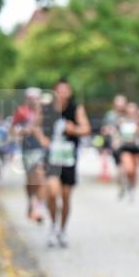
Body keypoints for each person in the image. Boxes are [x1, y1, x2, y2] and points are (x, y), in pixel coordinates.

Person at [39, 79, 91, 247]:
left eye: (65, 90)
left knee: (66, 197)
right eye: (59, 90)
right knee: (52, 193)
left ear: (70, 92)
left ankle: (62, 230)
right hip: (52, 159)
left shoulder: (76, 109)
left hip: (68, 158)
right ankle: (53, 226)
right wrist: (42, 139)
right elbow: (35, 126)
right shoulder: (46, 108)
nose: (62, 93)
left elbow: (86, 129)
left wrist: (73, 129)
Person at [12, 87, 47, 222]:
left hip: (41, 148)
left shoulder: (44, 111)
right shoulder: (21, 111)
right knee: (31, 180)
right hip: (28, 149)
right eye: (31, 98)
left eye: (36, 98)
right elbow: (14, 130)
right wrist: (23, 132)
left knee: (41, 178)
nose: (34, 101)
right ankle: (31, 201)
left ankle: (39, 208)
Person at [115, 101, 139, 202]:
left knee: (134, 171)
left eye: (133, 109)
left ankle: (132, 188)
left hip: (136, 148)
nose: (131, 111)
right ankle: (124, 185)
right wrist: (116, 141)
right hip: (125, 148)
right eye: (129, 108)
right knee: (128, 169)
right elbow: (117, 133)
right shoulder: (122, 121)